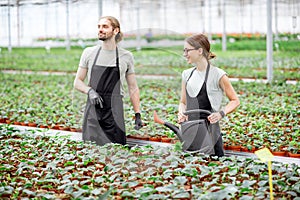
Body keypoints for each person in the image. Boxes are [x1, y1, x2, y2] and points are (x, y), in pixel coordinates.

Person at [74, 16, 143, 146]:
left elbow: (133, 87)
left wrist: (137, 113)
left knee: (116, 153)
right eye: (99, 26)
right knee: (91, 152)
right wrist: (90, 91)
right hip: (93, 113)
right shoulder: (89, 53)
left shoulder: (126, 56)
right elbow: (77, 81)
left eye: (105, 27)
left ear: (115, 30)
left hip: (114, 113)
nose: (100, 30)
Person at [177, 34, 240, 157]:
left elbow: (235, 100)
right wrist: (181, 113)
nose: (184, 54)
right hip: (190, 131)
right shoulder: (187, 74)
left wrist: (220, 114)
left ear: (200, 51)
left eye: (187, 50)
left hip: (210, 134)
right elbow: (183, 102)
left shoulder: (218, 75)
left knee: (212, 169)